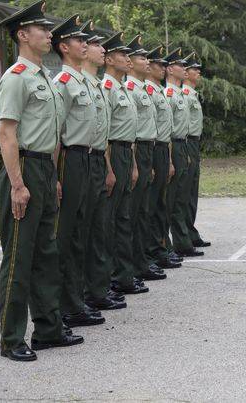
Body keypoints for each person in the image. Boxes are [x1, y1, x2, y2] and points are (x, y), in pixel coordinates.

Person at [0, 0, 83, 361]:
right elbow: (6, 133)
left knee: (47, 254)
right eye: (42, 29)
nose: (49, 34)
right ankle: (11, 337)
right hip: (25, 169)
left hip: (44, 170)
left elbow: (49, 131)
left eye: (49, 29)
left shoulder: (43, 76)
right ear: (22, 34)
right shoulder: (15, 77)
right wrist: (18, 184)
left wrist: (52, 176)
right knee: (19, 256)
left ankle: (49, 329)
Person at [50, 15, 105, 328]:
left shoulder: (84, 82)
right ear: (64, 47)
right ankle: (61, 306)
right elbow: (57, 132)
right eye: (79, 40)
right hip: (69, 160)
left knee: (81, 233)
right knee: (66, 235)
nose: (85, 44)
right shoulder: (63, 84)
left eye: (86, 40)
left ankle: (76, 300)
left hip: (85, 159)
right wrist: (56, 176)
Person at [80, 21, 127, 311]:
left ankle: (97, 287)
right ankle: (87, 292)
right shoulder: (82, 84)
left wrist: (107, 166)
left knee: (102, 226)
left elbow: (103, 131)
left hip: (101, 157)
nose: (98, 49)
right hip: (80, 159)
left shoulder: (98, 85)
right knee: (85, 231)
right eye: (95, 44)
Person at [102, 32, 146, 295]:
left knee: (123, 218)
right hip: (111, 152)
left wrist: (132, 164)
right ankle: (108, 278)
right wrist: (109, 168)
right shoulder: (106, 88)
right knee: (108, 221)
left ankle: (123, 275)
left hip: (125, 154)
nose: (128, 60)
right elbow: (103, 132)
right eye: (123, 55)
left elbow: (129, 130)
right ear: (109, 59)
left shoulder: (122, 89)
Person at [124, 35, 167, 283]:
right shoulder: (129, 88)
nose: (148, 62)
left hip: (147, 148)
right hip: (135, 149)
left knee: (143, 211)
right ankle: (131, 265)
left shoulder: (143, 89)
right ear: (130, 62)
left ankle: (141, 261)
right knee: (131, 213)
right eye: (142, 57)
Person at [144, 45, 182, 269]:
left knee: (159, 204)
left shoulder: (157, 91)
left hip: (160, 148)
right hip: (148, 148)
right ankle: (153, 252)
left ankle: (159, 249)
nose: (163, 68)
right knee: (149, 206)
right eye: (158, 64)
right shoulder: (147, 91)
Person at [164, 48, 204, 257]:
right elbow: (168, 127)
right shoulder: (171, 94)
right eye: (184, 66)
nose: (192, 71)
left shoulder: (183, 94)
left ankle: (187, 234)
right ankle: (180, 240)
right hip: (178, 144)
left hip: (188, 144)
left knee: (187, 194)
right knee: (176, 196)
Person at [182, 53, 210, 247]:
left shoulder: (192, 93)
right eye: (194, 69)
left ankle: (190, 232)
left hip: (193, 143)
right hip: (185, 142)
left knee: (192, 192)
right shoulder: (182, 93)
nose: (198, 72)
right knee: (183, 194)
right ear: (185, 73)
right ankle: (183, 237)